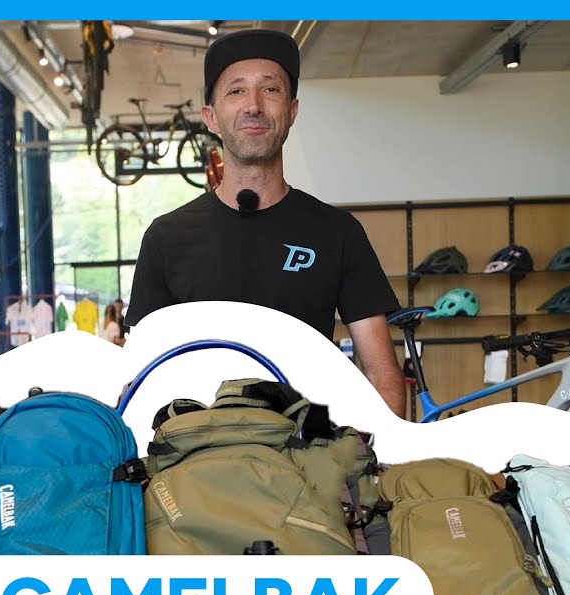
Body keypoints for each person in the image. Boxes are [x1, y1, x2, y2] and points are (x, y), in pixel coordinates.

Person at [124, 29, 405, 418]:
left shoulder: (337, 232)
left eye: (270, 90)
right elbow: (139, 375)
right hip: (199, 448)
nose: (253, 105)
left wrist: (376, 449)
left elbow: (381, 374)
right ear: (211, 117)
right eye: (236, 91)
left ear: (292, 111)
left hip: (307, 447)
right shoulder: (166, 237)